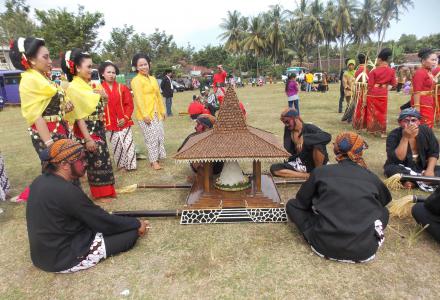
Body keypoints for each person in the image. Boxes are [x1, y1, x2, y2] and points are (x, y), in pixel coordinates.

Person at [26, 139, 148, 273]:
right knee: (130, 235)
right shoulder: (67, 191)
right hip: (64, 258)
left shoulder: (39, 181)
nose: (85, 163)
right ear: (64, 164)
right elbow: (103, 222)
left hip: (43, 256)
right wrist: (136, 223)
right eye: (81, 159)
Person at [286, 131, 391, 263]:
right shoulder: (371, 178)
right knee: (384, 211)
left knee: (291, 205)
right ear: (360, 151)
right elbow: (384, 201)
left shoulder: (321, 172)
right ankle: (366, 235)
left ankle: (319, 231)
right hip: (365, 250)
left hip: (324, 245)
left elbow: (301, 203)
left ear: (336, 150)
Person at [9, 37, 74, 202]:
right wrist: (50, 145)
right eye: (45, 57)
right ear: (30, 59)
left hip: (59, 128)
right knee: (57, 168)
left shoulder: (44, 78)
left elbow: (52, 102)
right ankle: (46, 198)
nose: (50, 61)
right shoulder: (29, 80)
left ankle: (58, 199)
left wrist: (65, 106)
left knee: (60, 168)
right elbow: (35, 115)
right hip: (47, 133)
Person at [62, 49, 116, 201]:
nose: (91, 70)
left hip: (98, 127)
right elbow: (78, 116)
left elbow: (98, 108)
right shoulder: (74, 88)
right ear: (78, 68)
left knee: (103, 159)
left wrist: (103, 98)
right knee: (95, 162)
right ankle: (100, 194)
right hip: (88, 130)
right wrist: (87, 138)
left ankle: (108, 190)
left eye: (92, 66)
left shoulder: (88, 86)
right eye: (88, 66)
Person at [384, 108, 440, 190]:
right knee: (390, 169)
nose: (410, 123)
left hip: (422, 167)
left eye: (414, 120)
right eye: (406, 121)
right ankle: (423, 180)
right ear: (400, 123)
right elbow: (398, 158)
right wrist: (405, 137)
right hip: (403, 167)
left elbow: (434, 152)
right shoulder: (393, 135)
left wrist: (430, 170)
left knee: (435, 170)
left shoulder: (426, 131)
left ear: (419, 122)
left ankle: (412, 181)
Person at [270, 109, 331, 179]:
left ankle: (318, 172)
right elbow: (288, 151)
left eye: (287, 121)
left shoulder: (309, 127)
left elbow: (327, 136)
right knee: (274, 168)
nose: (286, 125)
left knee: (318, 144)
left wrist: (305, 138)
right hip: (301, 163)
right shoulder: (288, 130)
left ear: (296, 118)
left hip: (316, 162)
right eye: (284, 123)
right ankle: (308, 175)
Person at [130, 53, 166, 171]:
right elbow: (139, 99)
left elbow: (158, 96)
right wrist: (145, 115)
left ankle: (157, 157)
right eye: (140, 65)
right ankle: (153, 161)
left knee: (160, 135)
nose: (143, 67)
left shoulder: (153, 79)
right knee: (151, 138)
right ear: (136, 67)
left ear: (149, 65)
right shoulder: (136, 81)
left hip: (156, 113)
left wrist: (163, 110)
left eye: (145, 64)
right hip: (145, 115)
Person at [99, 61, 136, 171]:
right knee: (116, 145)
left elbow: (129, 104)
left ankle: (131, 165)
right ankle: (121, 166)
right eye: (108, 72)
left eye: (113, 72)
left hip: (124, 121)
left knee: (128, 143)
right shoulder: (99, 89)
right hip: (110, 123)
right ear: (102, 74)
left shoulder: (122, 87)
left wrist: (125, 118)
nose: (111, 74)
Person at [365, 48, 397, 137]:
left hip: (373, 93)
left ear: (380, 59)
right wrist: (385, 89)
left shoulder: (374, 71)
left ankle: (372, 130)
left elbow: (370, 85)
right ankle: (383, 132)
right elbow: (394, 84)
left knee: (372, 112)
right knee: (382, 112)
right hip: (383, 93)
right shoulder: (392, 71)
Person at [411, 48, 438, 128]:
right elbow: (417, 91)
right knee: (424, 125)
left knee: (428, 124)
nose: (434, 62)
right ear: (423, 60)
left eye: (435, 60)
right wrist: (417, 107)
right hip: (421, 102)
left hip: (428, 101)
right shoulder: (420, 73)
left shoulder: (429, 72)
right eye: (432, 60)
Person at [352, 53, 370, 130]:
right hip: (364, 91)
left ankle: (356, 122)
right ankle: (361, 123)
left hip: (357, 91)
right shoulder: (366, 70)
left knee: (357, 106)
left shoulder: (357, 69)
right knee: (362, 106)